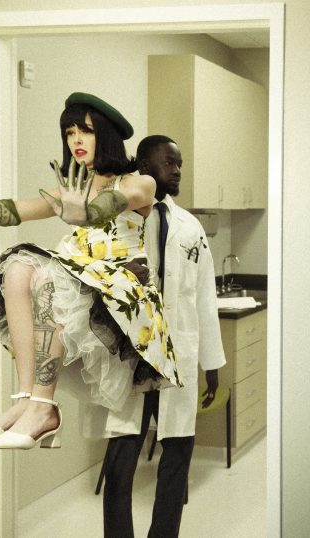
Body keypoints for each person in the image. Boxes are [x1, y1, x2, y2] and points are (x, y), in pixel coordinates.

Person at [0, 94, 182, 451]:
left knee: (50, 278)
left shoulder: (138, 182)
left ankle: (44, 407)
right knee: (17, 269)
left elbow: (111, 205)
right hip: (80, 277)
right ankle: (26, 400)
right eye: (69, 133)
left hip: (118, 290)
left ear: (106, 135)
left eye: (86, 131)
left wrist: (85, 213)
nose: (76, 140)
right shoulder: (72, 188)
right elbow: (15, 210)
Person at [88, 135, 226, 537]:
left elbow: (204, 298)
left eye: (180, 163)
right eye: (169, 163)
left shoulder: (190, 226)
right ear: (145, 167)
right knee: (121, 456)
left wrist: (211, 364)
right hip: (133, 357)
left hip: (176, 357)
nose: (177, 170)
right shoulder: (117, 218)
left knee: (177, 454)